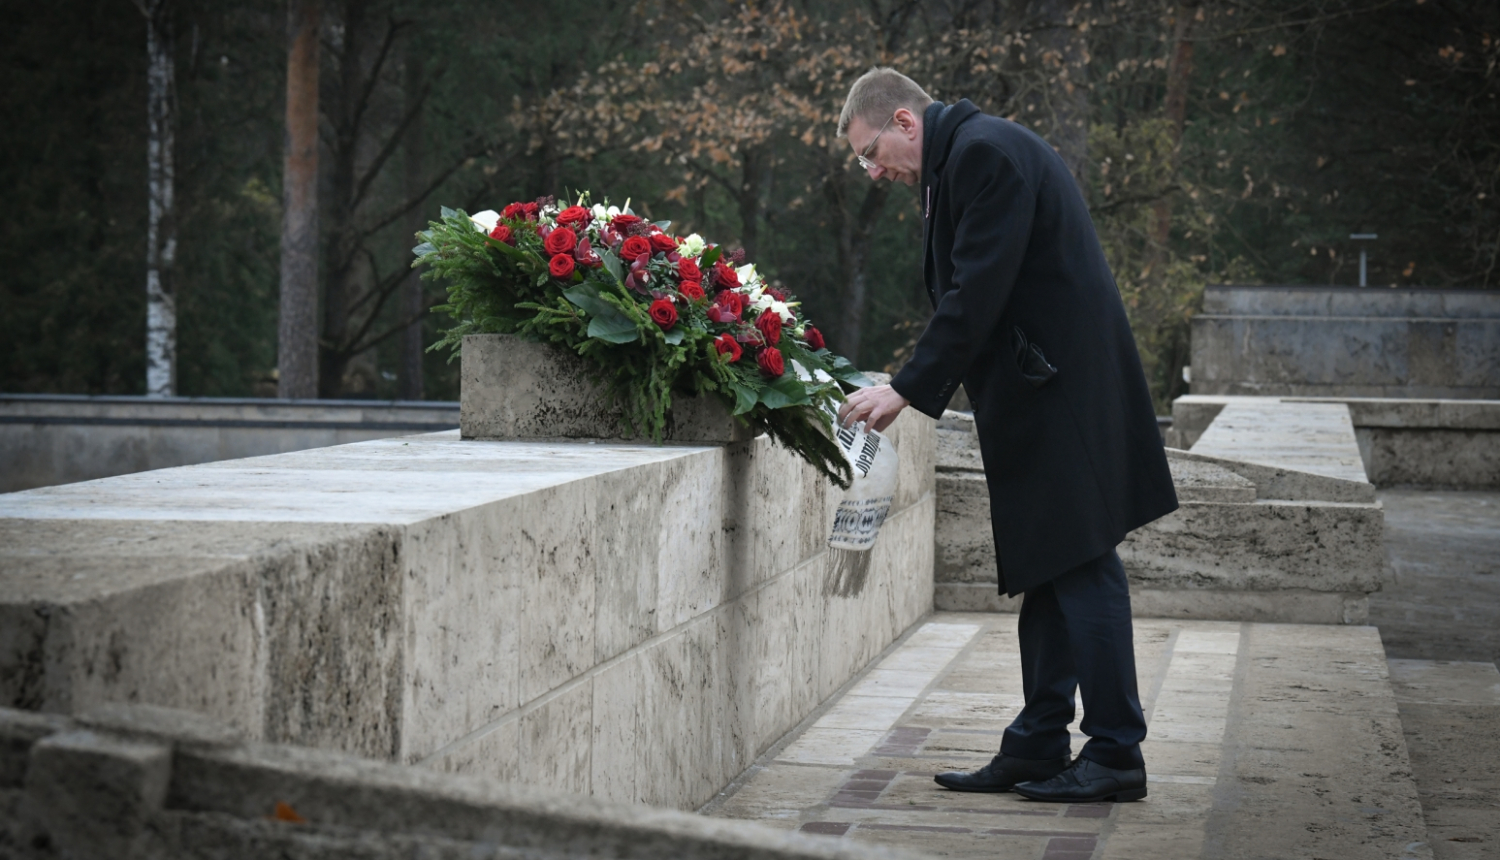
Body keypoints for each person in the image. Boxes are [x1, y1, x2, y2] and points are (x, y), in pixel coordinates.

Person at [834, 68, 1179, 803]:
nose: (871, 171)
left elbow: (978, 290)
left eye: (870, 152)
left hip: (1061, 394)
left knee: (1083, 566)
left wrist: (905, 386)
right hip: (1046, 389)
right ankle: (1038, 742)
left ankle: (1116, 753)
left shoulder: (982, 154)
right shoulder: (968, 155)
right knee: (1054, 565)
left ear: (902, 120)